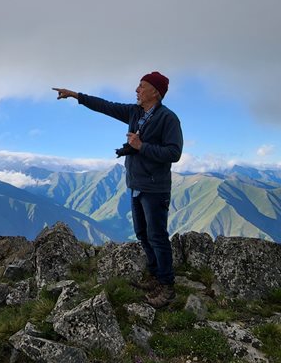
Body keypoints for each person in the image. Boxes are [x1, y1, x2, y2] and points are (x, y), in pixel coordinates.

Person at [53, 72, 183, 309]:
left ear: (155, 91)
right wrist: (76, 96)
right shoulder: (135, 113)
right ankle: (155, 276)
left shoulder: (168, 119)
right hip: (136, 185)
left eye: (141, 86)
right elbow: (106, 106)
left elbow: (174, 153)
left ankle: (167, 286)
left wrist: (141, 146)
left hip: (155, 188)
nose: (136, 90)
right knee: (142, 233)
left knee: (157, 235)